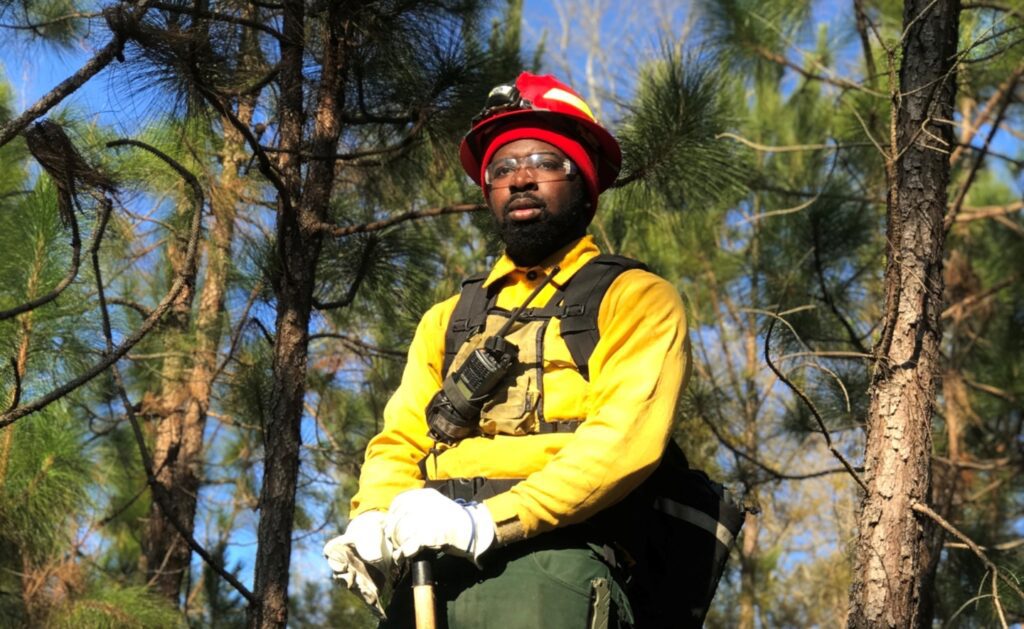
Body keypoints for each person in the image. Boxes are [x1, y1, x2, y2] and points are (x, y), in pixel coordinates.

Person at [324, 71, 691, 628]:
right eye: (502, 168)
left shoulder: (635, 297)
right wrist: (373, 514)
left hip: (550, 568)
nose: (520, 178)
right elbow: (400, 438)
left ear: (585, 185)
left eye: (546, 161)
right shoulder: (447, 319)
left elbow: (622, 443)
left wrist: (487, 522)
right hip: (426, 574)